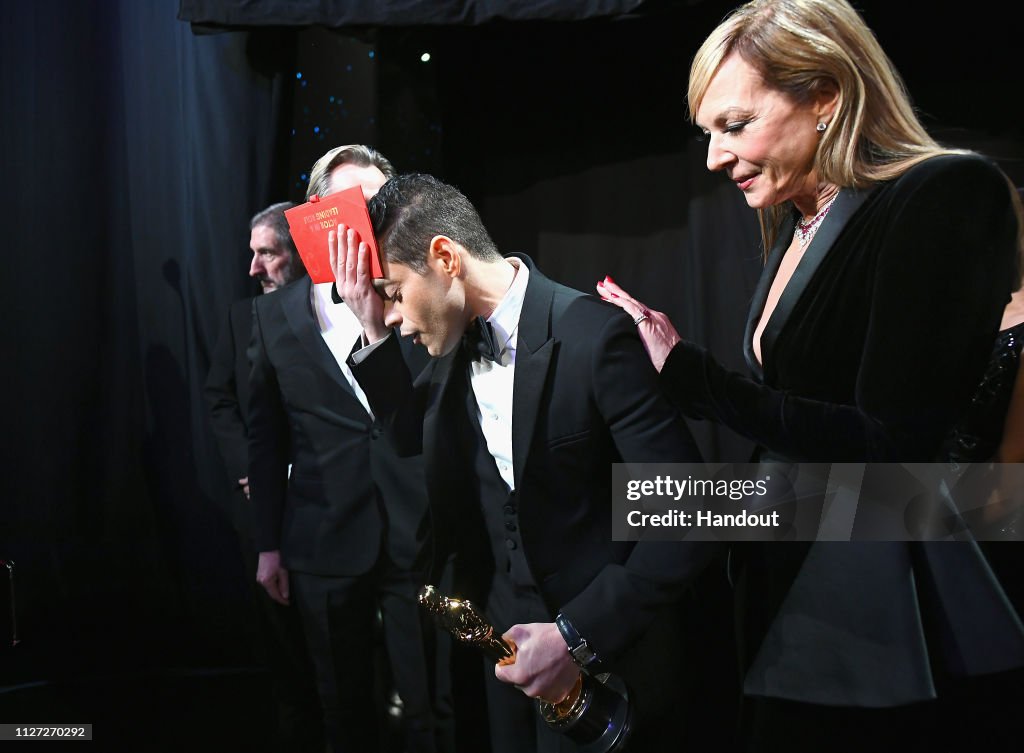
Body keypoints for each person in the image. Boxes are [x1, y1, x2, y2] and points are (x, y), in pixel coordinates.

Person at [596, 0, 1024, 749]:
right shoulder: (800, 221)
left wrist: (693, 380)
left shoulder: (943, 192)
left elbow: (890, 446)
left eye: (734, 126)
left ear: (826, 96)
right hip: (790, 575)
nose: (714, 159)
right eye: (707, 134)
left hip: (878, 616)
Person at [332, 173, 714, 753]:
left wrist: (575, 637)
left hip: (602, 658)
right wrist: (366, 319)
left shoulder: (592, 337)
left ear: (445, 258)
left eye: (394, 292)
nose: (392, 316)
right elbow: (407, 434)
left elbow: (692, 514)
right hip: (501, 656)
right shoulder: (449, 346)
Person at [247, 145, 451, 753]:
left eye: (378, 203)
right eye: (351, 204)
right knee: (341, 709)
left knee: (431, 710)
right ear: (316, 214)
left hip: (419, 537)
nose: (367, 218)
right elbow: (265, 436)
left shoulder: (425, 295)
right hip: (323, 538)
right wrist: (268, 545)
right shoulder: (273, 317)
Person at [204, 201, 324, 752]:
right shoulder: (240, 317)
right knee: (280, 641)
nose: (253, 269)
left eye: (266, 254)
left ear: (297, 256)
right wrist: (252, 471)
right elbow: (221, 400)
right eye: (252, 254)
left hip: (324, 502)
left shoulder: (336, 315)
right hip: (262, 506)